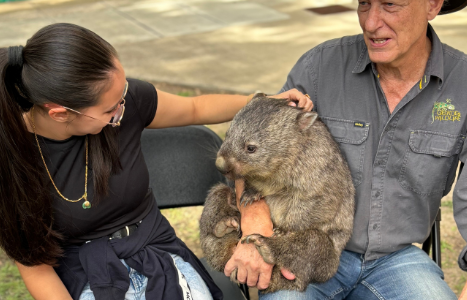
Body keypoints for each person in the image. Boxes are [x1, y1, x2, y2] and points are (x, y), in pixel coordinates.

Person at [0, 23, 312, 300]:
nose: (123, 107)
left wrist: (264, 101)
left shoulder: (121, 98)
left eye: (123, 93)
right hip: (84, 270)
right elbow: (34, 265)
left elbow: (193, 109)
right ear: (60, 113)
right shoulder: (11, 157)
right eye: (112, 110)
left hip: (157, 251)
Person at [224, 0, 467, 299]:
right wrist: (255, 222)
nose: (370, 22)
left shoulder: (462, 84)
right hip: (305, 246)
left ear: (432, 5)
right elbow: (247, 147)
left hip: (397, 260)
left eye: (390, 4)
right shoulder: (319, 67)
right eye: (364, 3)